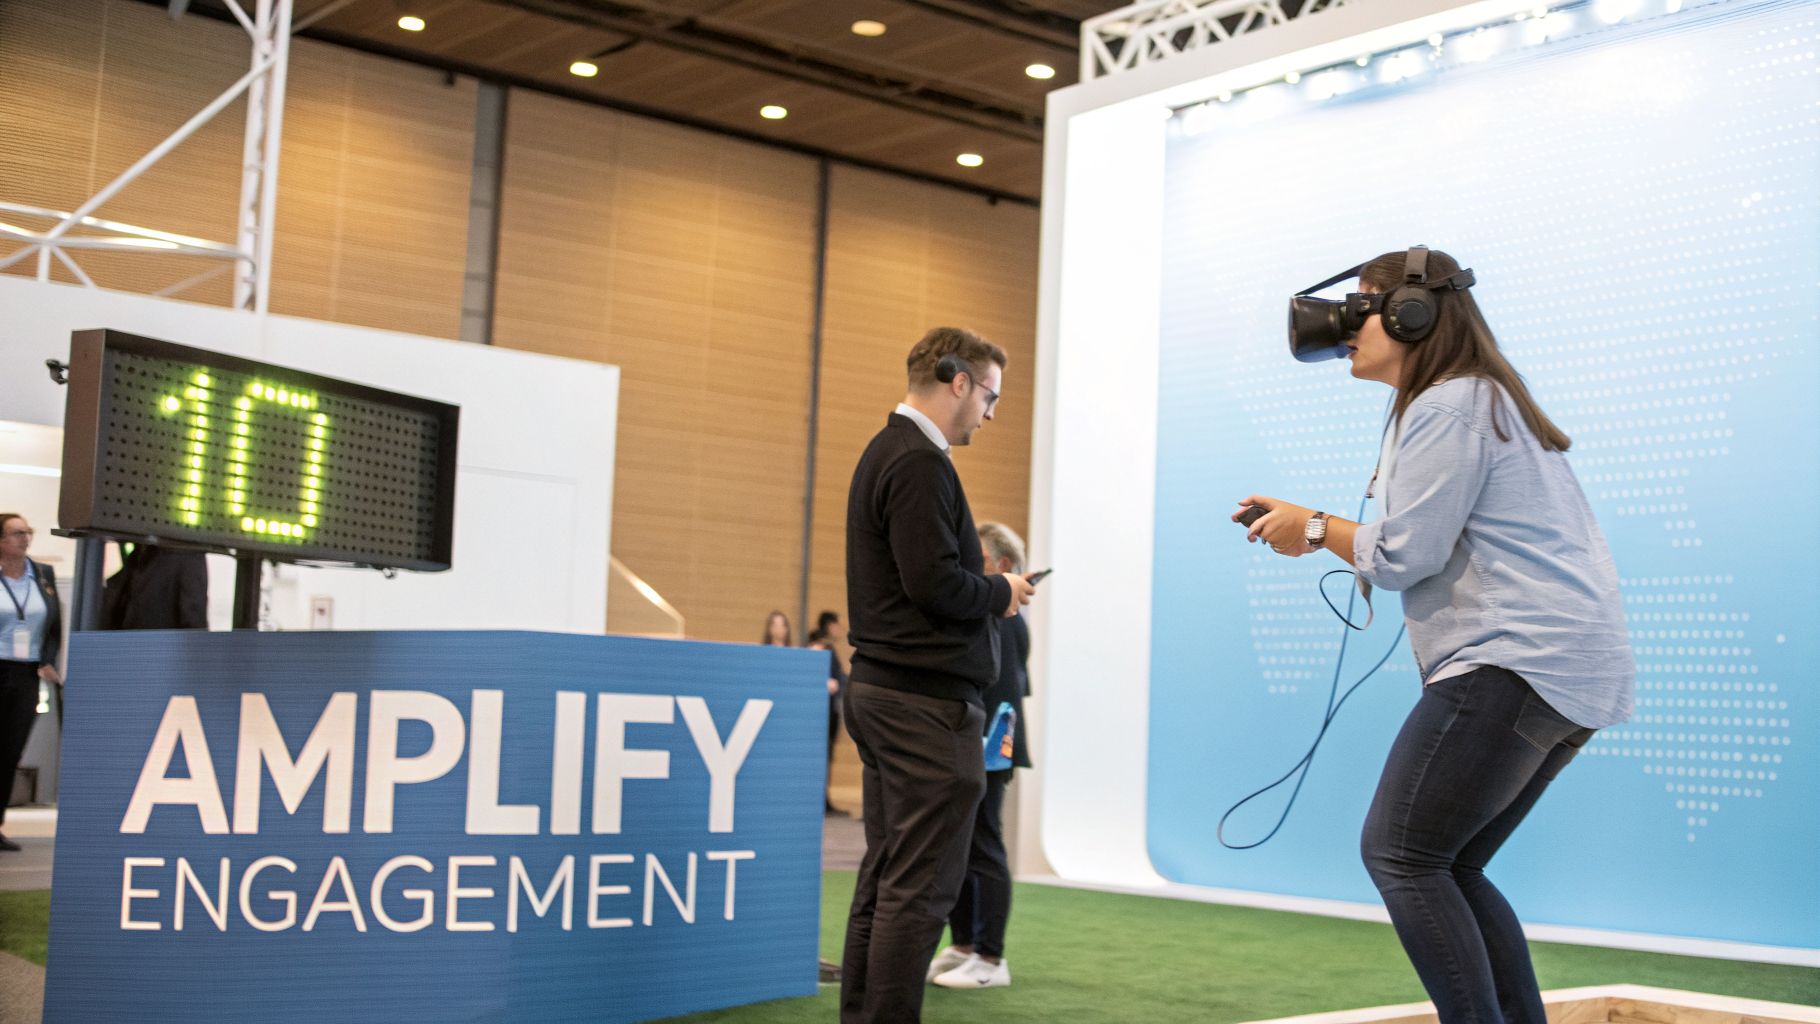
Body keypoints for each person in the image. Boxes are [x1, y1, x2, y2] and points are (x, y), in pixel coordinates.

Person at [1235, 248, 1634, 1024]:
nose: (1343, 329)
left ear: (1411, 314)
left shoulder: (1448, 406)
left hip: (1514, 663)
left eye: (1360, 309)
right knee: (1450, 864)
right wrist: (1321, 527)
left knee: (1402, 855)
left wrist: (1313, 528)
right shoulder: (1483, 400)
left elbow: (1402, 555)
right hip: (1567, 674)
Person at [840, 326, 1037, 1024]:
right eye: (990, 397)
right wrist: (1001, 591)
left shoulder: (891, 451)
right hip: (922, 706)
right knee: (917, 891)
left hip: (893, 695)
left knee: (889, 878)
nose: (991, 413)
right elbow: (935, 585)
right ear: (959, 382)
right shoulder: (919, 461)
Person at [928, 521, 1033, 991]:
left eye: (980, 557)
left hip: (991, 745)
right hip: (973, 741)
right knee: (962, 846)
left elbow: (1006, 689)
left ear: (1003, 565)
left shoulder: (1004, 616)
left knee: (985, 845)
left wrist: (990, 745)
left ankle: (990, 958)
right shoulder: (990, 612)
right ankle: (964, 945)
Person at [0, 514, 62, 853]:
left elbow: (53, 626)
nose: (25, 538)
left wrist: (47, 660)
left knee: (11, 750)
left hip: (26, 673)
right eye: (17, 532)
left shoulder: (42, 575)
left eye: (28, 532)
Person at [101, 541, 209, 630]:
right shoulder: (139, 553)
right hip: (132, 644)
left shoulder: (188, 555)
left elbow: (194, 622)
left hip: (158, 646)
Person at [806, 613, 850, 816]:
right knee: (818, 756)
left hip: (830, 711)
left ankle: (824, 800)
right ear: (828, 625)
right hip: (817, 712)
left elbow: (839, 677)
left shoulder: (830, 649)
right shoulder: (816, 646)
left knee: (827, 757)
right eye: (836, 624)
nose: (839, 628)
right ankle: (816, 800)